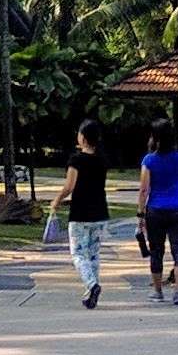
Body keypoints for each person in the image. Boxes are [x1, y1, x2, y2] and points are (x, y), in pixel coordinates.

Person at [134, 121, 178, 304]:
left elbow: (144, 189)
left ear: (155, 137)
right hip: (177, 208)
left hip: (155, 210)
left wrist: (140, 214)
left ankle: (158, 291)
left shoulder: (149, 160)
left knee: (156, 251)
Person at [56, 116, 114, 308]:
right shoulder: (102, 159)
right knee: (94, 254)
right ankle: (91, 293)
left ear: (83, 137)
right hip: (100, 212)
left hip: (80, 213)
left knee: (79, 254)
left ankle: (92, 284)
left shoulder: (76, 160)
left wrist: (56, 201)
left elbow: (69, 186)